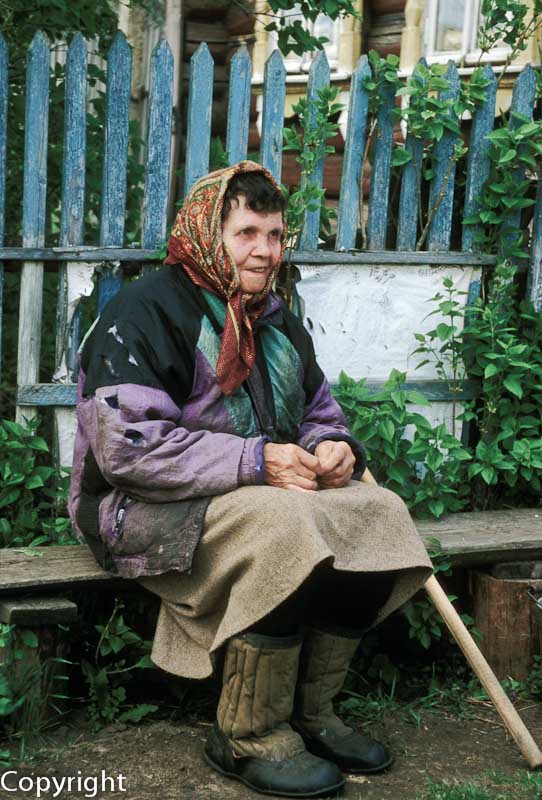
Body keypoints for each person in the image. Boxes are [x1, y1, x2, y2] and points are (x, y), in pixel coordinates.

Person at [69, 160, 432, 798]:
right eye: (247, 234)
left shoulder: (271, 316)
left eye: (275, 234)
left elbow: (320, 411)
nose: (265, 251)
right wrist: (255, 460)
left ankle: (312, 714)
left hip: (247, 498)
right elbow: (127, 451)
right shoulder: (145, 312)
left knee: (378, 510)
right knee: (285, 523)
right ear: (209, 232)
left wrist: (333, 447)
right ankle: (248, 732)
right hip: (136, 508)